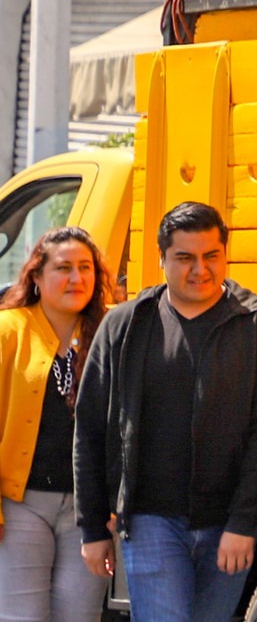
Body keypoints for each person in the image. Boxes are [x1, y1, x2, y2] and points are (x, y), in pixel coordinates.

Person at [74, 203, 257, 622]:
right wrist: (92, 527)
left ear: (225, 255)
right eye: (185, 258)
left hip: (227, 523)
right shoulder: (124, 326)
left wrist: (244, 522)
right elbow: (90, 430)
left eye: (211, 256)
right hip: (149, 521)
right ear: (162, 260)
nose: (200, 270)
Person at [0, 228, 111, 622]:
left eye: (85, 268)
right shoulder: (8, 330)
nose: (76, 278)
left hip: (89, 512)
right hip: (19, 506)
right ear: (36, 276)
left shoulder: (110, 334)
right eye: (63, 268)